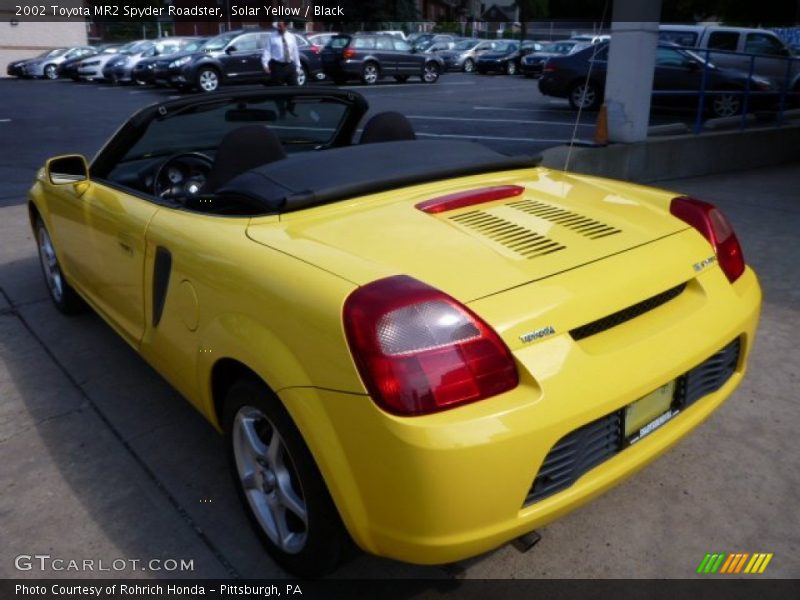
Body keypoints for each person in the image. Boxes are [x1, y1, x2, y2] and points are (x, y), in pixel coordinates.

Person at [262, 21, 302, 86]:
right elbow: (267, 51)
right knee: (278, 89)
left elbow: (295, 52)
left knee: (294, 87)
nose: (279, 28)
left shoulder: (291, 37)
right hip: (277, 66)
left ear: (286, 26)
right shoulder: (272, 37)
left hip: (290, 66)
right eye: (278, 26)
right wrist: (265, 64)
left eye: (281, 26)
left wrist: (298, 66)